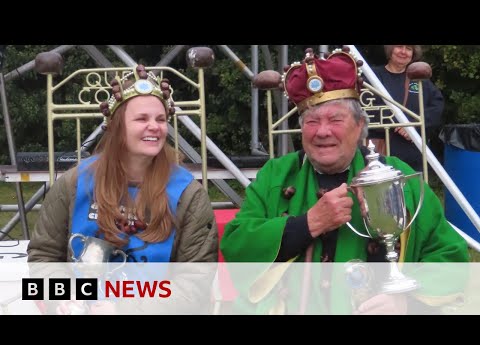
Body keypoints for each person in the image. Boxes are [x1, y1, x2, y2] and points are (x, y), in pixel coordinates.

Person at [220, 47, 469, 315]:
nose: (323, 131)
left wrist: (407, 301)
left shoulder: (398, 177)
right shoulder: (276, 175)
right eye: (312, 121)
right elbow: (237, 246)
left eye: (336, 119)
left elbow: (450, 258)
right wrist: (308, 224)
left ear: (360, 126)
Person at [27, 65, 218, 313]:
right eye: (142, 119)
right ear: (118, 128)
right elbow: (43, 255)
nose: (155, 126)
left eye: (160, 119)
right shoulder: (74, 183)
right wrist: (61, 296)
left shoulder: (188, 195)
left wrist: (123, 308)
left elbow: (195, 284)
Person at [367, 45, 445, 171]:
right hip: (383, 153)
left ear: (413, 54)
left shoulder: (418, 79)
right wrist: (401, 123)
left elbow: (437, 105)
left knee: (415, 189)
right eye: (399, 47)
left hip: (413, 152)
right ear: (390, 50)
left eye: (408, 49)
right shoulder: (373, 76)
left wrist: (413, 124)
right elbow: (368, 108)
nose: (403, 52)